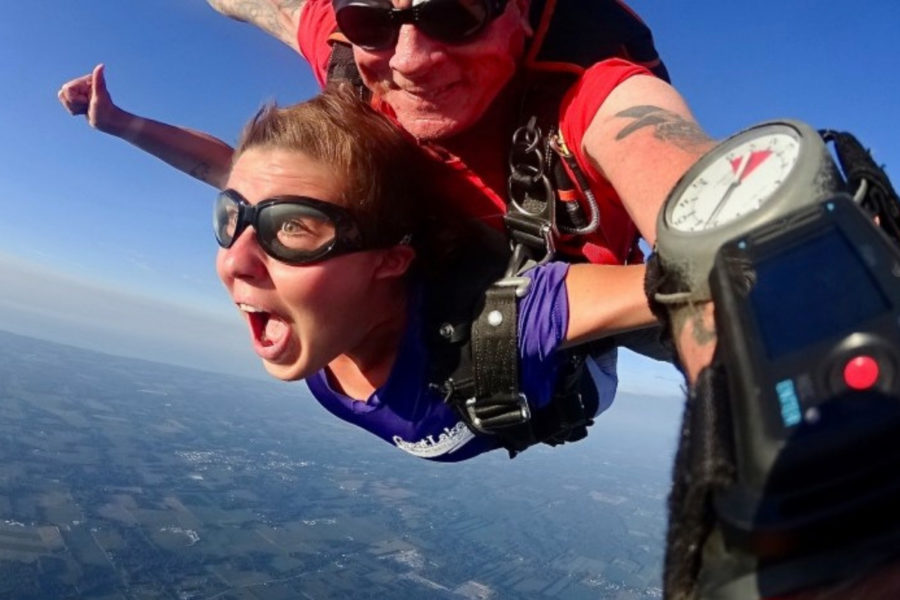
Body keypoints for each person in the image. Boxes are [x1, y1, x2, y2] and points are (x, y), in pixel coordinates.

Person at [216, 87, 656, 462]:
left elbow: (686, 283)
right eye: (229, 217)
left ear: (390, 260)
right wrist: (142, 128)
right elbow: (215, 168)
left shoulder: (503, 324)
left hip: (580, 372)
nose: (233, 261)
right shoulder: (317, 326)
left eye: (291, 226)